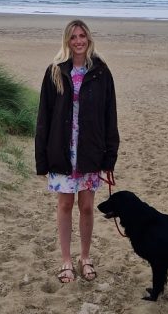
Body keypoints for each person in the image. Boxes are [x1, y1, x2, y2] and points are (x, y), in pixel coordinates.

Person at [35, 19, 119, 283]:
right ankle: (66, 261)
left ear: (89, 39)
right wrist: (42, 158)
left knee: (86, 206)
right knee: (64, 205)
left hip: (90, 152)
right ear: (67, 41)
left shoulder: (101, 72)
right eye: (73, 37)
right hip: (61, 150)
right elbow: (44, 118)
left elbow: (110, 115)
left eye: (82, 36)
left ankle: (85, 257)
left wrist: (109, 156)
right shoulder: (55, 71)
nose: (79, 41)